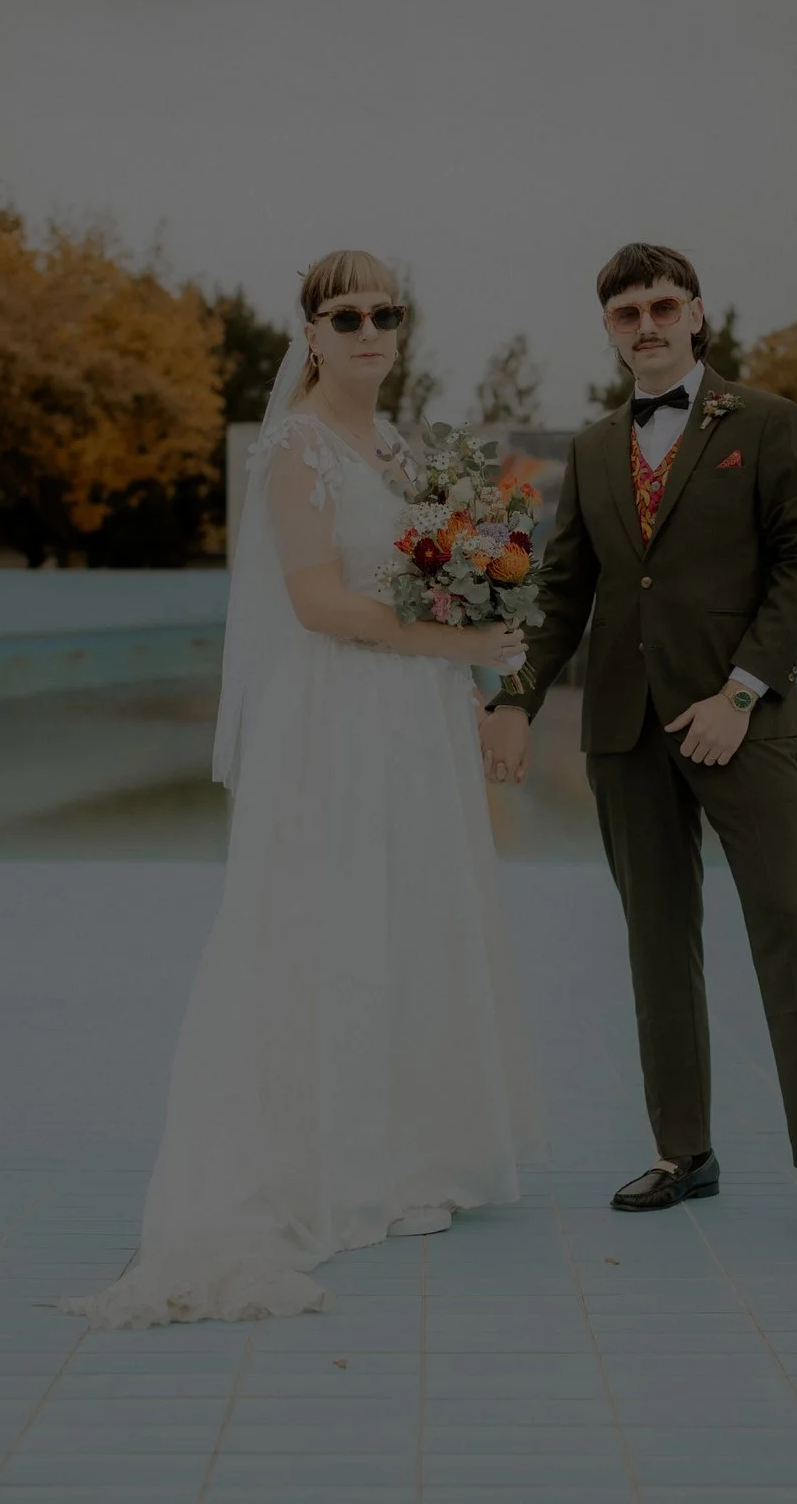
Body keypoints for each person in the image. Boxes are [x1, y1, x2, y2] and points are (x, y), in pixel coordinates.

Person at [63, 250, 542, 1328]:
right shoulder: (291, 449)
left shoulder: (408, 447)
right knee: (322, 923)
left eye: (386, 312)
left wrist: (463, 673)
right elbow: (320, 602)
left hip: (413, 716)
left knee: (411, 915)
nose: (369, 328)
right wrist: (456, 636)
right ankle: (327, 1160)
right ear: (312, 333)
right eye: (346, 313)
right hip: (335, 714)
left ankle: (408, 1155)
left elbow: (423, 570)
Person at [478, 242, 797, 1251]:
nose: (647, 324)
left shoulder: (764, 424)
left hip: (740, 724)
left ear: (698, 314)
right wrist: (514, 698)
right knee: (656, 944)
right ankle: (685, 1148)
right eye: (626, 312)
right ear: (610, 330)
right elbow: (565, 590)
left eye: (663, 305)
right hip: (624, 733)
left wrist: (742, 690)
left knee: (791, 930)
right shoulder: (587, 452)